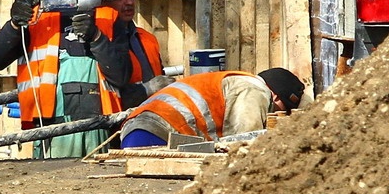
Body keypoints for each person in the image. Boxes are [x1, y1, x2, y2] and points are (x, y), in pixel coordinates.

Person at [0, 0, 132, 158]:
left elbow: (121, 76)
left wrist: (95, 37)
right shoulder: (37, 14)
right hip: (51, 131)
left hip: (99, 128)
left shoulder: (109, 18)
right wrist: (14, 25)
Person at [119, 67, 305, 148]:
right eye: (284, 107)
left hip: (136, 129)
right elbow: (242, 143)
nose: (281, 113)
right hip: (159, 133)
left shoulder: (231, 81)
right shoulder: (254, 89)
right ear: (275, 95)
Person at [105, 0, 173, 108]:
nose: (129, 2)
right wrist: (146, 89)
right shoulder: (101, 43)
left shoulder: (147, 39)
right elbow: (106, 98)